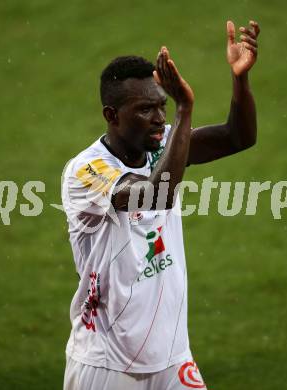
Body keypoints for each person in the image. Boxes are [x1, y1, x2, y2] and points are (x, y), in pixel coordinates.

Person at [62, 19, 260, 390]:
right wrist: (185, 108)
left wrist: (240, 78)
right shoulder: (86, 172)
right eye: (144, 110)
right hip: (107, 364)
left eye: (163, 107)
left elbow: (239, 136)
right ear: (111, 115)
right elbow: (157, 194)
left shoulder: (162, 144)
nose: (159, 120)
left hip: (172, 357)